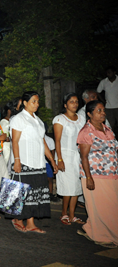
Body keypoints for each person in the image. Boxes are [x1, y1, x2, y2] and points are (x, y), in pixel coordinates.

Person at [7, 91, 58, 234]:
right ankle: (17, 219)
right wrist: (17, 161)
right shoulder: (18, 119)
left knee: (34, 193)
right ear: (25, 103)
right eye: (33, 101)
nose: (36, 104)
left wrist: (51, 161)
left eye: (37, 101)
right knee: (21, 192)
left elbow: (42, 141)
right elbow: (15, 141)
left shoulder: (38, 120)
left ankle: (31, 223)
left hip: (38, 162)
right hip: (24, 161)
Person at [76, 100, 118, 248]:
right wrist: (88, 178)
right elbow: (84, 157)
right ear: (89, 114)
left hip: (111, 174)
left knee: (111, 206)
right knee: (103, 207)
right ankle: (102, 236)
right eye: (99, 111)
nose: (103, 113)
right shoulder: (86, 132)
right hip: (95, 175)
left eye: (103, 110)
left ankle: (90, 229)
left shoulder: (107, 129)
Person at [53, 93, 86, 225]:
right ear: (65, 105)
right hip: (65, 155)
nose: (75, 104)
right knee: (68, 186)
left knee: (76, 187)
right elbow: (57, 140)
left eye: (76, 101)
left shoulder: (82, 118)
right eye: (71, 102)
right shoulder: (60, 119)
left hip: (77, 155)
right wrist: (59, 159)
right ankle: (64, 213)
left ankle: (72, 215)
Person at [97, 66, 118, 135]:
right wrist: (103, 101)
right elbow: (98, 91)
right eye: (107, 73)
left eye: (109, 72)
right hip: (108, 108)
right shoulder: (104, 82)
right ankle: (111, 141)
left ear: (114, 72)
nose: (108, 74)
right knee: (110, 126)